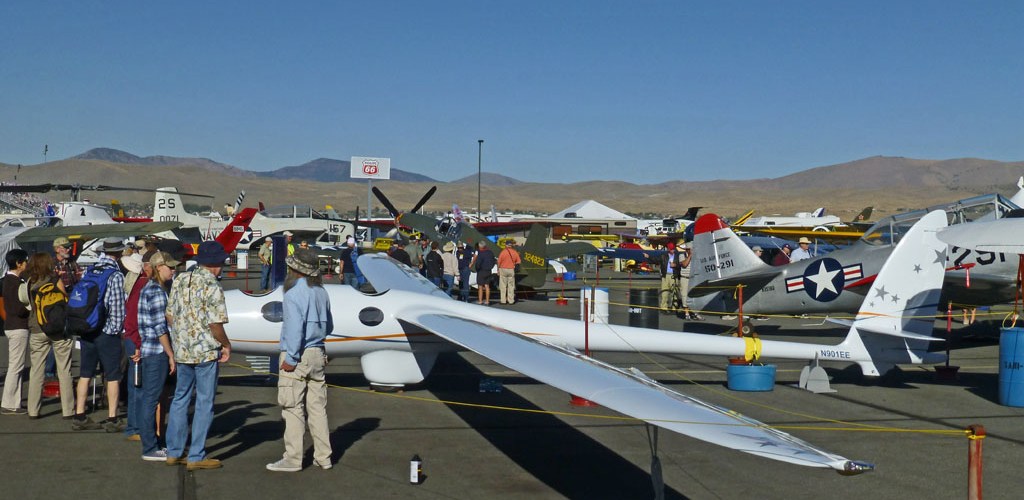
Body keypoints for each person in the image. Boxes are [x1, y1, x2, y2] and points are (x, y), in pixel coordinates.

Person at [165, 241, 232, 470]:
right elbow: (215, 323)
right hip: (204, 352)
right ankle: (196, 455)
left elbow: (170, 316)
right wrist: (226, 345)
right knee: (204, 402)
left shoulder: (181, 279)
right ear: (216, 263)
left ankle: (173, 451)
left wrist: (183, 335)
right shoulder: (212, 284)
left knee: (180, 398)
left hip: (183, 350)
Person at [266, 248, 334, 472]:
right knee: (317, 408)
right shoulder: (322, 292)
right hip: (318, 352)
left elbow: (295, 329)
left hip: (299, 354)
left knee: (292, 406)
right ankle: (324, 457)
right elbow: (329, 326)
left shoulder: (294, 294)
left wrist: (291, 358)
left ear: (295, 270)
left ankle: (293, 459)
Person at [70, 237, 128, 432]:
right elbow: (117, 307)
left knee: (85, 373)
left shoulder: (90, 270)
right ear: (119, 253)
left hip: (87, 328)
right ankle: (112, 418)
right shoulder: (115, 275)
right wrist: (115, 330)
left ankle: (80, 414)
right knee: (112, 375)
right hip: (106, 332)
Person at [137, 251, 178, 461]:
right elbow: (160, 327)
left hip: (151, 351)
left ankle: (152, 443)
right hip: (156, 352)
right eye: (169, 267)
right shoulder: (156, 291)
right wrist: (171, 354)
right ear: (158, 267)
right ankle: (150, 447)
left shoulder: (152, 289)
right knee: (151, 400)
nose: (173, 270)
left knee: (150, 398)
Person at [24, 252, 75, 419]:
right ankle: (68, 410)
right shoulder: (55, 280)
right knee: (64, 369)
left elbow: (28, 305)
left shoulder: (30, 282)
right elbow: (65, 300)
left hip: (38, 328)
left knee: (36, 370)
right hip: (59, 329)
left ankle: (33, 409)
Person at [2, 249, 31, 415]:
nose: (26, 264)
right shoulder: (15, 282)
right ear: (19, 263)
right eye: (25, 261)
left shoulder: (8, 280)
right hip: (18, 326)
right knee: (16, 366)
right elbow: (17, 308)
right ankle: (10, 404)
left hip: (12, 326)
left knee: (17, 365)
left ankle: (14, 402)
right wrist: (28, 308)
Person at [121, 252, 147, 441]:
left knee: (135, 385)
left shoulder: (132, 285)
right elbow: (133, 320)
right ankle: (135, 427)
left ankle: (135, 426)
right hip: (136, 339)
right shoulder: (141, 286)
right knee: (138, 386)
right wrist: (137, 344)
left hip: (130, 337)